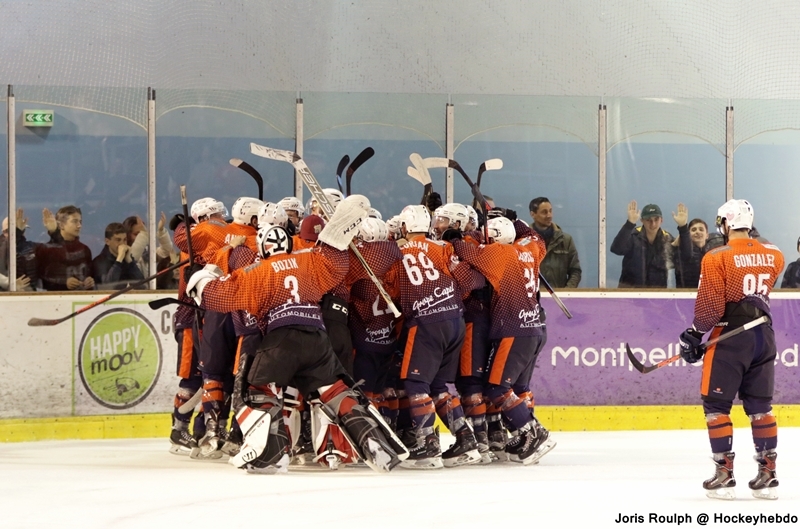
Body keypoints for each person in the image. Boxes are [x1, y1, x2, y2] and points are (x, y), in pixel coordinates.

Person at [185, 194, 404, 474]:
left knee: (254, 391)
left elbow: (217, 297)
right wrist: (336, 234)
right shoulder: (309, 263)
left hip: (281, 340)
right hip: (317, 338)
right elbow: (336, 262)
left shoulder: (257, 271)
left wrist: (200, 277)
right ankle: (372, 441)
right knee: (333, 390)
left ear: (263, 248)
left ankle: (270, 453)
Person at [677, 199, 784, 500]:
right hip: (764, 335)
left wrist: (695, 335)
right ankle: (769, 475)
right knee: (761, 407)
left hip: (730, 337)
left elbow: (711, 308)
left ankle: (724, 475)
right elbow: (760, 262)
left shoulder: (716, 256)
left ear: (725, 223)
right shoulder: (775, 254)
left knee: (716, 406)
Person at [394, 204, 482, 469]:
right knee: (437, 386)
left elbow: (390, 288)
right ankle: (466, 439)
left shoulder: (397, 253)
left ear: (405, 228)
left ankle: (427, 445)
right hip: (455, 320)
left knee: (415, 383)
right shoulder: (443, 248)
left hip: (425, 322)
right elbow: (471, 281)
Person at [610, 201, 674, 288]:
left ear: (661, 220)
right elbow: (616, 249)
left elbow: (683, 259)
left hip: (657, 295)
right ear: (642, 220)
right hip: (629, 293)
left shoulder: (667, 239)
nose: (653, 224)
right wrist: (629, 223)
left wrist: (683, 230)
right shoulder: (632, 235)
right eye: (648, 220)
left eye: (656, 219)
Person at [35, 205, 95, 291]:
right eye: (75, 221)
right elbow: (42, 280)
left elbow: (89, 275)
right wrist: (64, 282)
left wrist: (90, 281)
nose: (79, 226)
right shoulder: (47, 250)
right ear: (61, 225)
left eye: (80, 222)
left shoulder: (85, 250)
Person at [528, 197, 581, 288]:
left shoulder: (565, 240)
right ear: (533, 214)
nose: (549, 215)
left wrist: (567, 292)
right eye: (544, 212)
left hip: (560, 298)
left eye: (550, 211)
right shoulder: (523, 241)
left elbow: (575, 271)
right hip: (532, 298)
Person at [92, 222, 145, 290]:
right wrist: (119, 260)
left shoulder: (127, 259)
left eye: (124, 240)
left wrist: (130, 262)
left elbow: (142, 285)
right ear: (107, 241)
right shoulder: (99, 262)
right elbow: (107, 287)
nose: (122, 244)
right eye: (118, 240)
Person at [122, 213, 175, 278]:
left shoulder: (146, 251)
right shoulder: (123, 252)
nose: (140, 236)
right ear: (127, 235)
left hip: (148, 287)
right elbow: (133, 258)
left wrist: (161, 231)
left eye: (141, 234)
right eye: (136, 234)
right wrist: (144, 234)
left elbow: (165, 252)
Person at [673, 205, 711, 288]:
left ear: (707, 235)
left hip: (707, 296)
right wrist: (683, 227)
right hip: (687, 296)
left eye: (701, 229)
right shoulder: (684, 252)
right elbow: (686, 245)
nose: (697, 232)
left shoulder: (712, 253)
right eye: (693, 230)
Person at [0, 209, 36, 291]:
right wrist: (9, 284)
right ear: (4, 232)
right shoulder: (2, 247)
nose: (22, 233)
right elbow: (7, 248)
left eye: (23, 230)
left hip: (29, 296)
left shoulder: (29, 247)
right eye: (15, 230)